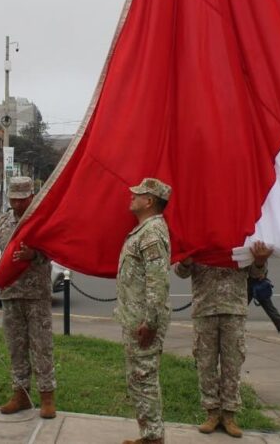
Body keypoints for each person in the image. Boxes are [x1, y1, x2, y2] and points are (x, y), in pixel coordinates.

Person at [0, 176, 58, 418]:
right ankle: (21, 395)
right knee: (16, 347)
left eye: (22, 200)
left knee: (42, 347)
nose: (18, 204)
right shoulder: (2, 223)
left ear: (32, 197)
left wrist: (34, 255)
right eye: (14, 200)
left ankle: (47, 397)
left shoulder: (41, 222)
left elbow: (54, 250)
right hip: (10, 293)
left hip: (36, 295)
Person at [174, 241, 271, 437]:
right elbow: (181, 272)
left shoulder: (242, 236)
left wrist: (260, 261)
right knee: (205, 363)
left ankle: (229, 415)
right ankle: (212, 413)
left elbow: (256, 274)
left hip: (233, 309)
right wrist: (185, 261)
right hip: (205, 308)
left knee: (232, 364)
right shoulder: (197, 236)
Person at [116, 177, 172, 444]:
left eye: (137, 194)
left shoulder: (151, 233)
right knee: (139, 379)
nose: (132, 196)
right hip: (136, 318)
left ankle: (152, 438)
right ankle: (150, 435)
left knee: (144, 378)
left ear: (149, 201)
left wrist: (150, 322)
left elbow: (157, 281)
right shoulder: (144, 231)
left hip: (144, 322)